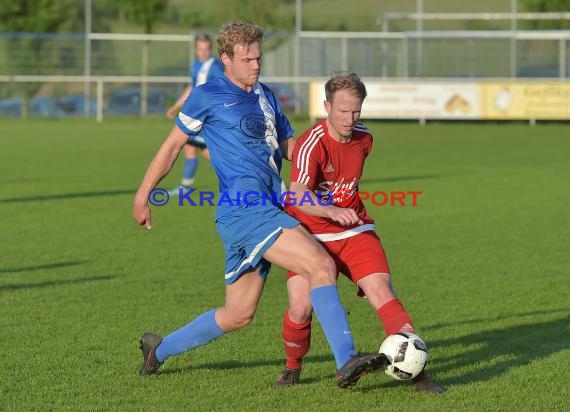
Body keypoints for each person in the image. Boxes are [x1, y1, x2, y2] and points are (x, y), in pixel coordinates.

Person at [133, 22, 387, 389]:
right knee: (319, 264)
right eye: (247, 58)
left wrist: (331, 147)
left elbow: (291, 149)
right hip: (245, 209)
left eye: (258, 57)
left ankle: (158, 350)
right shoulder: (207, 95)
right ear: (226, 59)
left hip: (267, 210)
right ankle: (346, 359)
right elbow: (172, 146)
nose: (255, 64)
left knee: (237, 314)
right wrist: (143, 196)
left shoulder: (266, 95)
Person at [273, 73, 444, 394]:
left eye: (356, 111)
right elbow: (296, 194)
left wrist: (342, 212)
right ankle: (292, 368)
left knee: (383, 290)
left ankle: (419, 373)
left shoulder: (365, 139)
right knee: (300, 307)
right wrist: (331, 210)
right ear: (326, 106)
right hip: (310, 235)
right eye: (342, 111)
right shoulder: (312, 143)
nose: (350, 119)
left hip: (354, 230)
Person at [166, 33, 224, 193]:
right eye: (200, 49)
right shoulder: (197, 65)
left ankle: (236, 175)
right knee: (191, 147)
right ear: (196, 49)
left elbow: (222, 90)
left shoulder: (215, 68)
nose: (203, 52)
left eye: (206, 49)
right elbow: (192, 88)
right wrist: (176, 106)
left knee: (208, 151)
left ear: (210, 49)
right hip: (197, 116)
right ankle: (185, 186)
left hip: (208, 118)